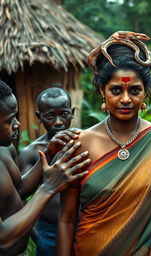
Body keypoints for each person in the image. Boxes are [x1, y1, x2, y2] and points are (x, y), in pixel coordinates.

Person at [57, 31, 151, 256]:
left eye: (134, 90)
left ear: (145, 93)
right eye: (116, 90)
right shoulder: (80, 144)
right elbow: (66, 219)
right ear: (102, 92)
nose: (125, 99)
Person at [0, 80, 90, 255]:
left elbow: (18, 189)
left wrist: (48, 155)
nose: (17, 124)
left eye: (16, 116)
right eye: (9, 120)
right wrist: (48, 187)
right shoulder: (29, 151)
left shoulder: (5, 149)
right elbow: (2, 239)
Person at [19, 87, 75, 256]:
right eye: (50, 116)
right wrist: (37, 236)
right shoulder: (31, 153)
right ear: (39, 117)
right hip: (48, 232)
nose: (58, 122)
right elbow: (19, 195)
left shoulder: (85, 143)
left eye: (64, 114)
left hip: (83, 228)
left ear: (72, 113)